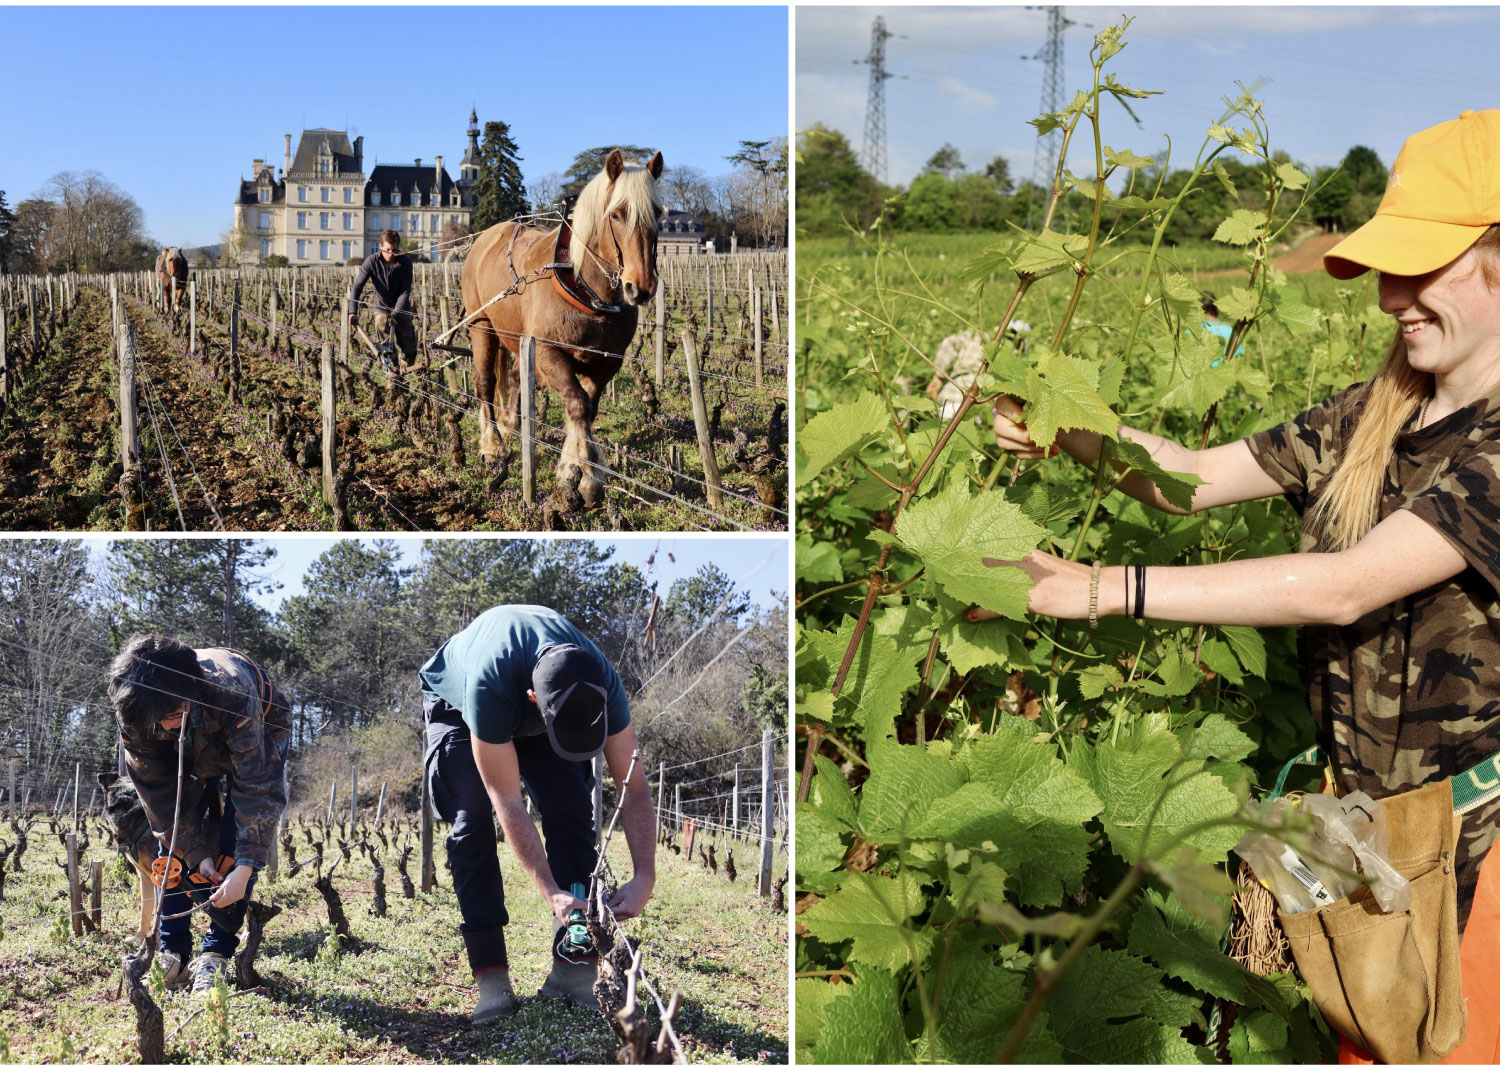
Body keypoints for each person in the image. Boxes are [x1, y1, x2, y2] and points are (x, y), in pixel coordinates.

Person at [984, 109, 1500, 1063]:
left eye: (1421, 267)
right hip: (1375, 842)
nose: (1393, 297)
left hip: (1480, 850)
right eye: (1388, 268)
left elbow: (1345, 588)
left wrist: (1098, 589)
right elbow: (1192, 476)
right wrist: (1059, 423)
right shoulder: (1375, 410)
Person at [419, 605, 657, 1026]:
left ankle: (573, 964)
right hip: (457, 705)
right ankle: (492, 977)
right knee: (470, 819)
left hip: (539, 699)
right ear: (535, 702)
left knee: (570, 808)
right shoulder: (488, 687)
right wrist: (549, 888)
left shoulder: (606, 683)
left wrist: (645, 877)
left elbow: (634, 787)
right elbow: (506, 798)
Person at [107, 635, 290, 994]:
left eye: (173, 715)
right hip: (187, 751)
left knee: (232, 846)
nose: (167, 726)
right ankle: (172, 949)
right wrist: (193, 853)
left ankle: (216, 954)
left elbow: (257, 787)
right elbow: (161, 799)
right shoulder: (136, 709)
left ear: (190, 690)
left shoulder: (230, 691)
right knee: (171, 846)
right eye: (158, 723)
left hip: (257, 729)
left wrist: (245, 865)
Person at [348, 229, 417, 368]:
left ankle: (405, 377)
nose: (391, 254)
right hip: (382, 308)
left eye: (394, 250)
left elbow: (405, 292)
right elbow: (357, 286)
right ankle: (392, 379)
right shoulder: (371, 261)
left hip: (402, 309)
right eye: (387, 250)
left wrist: (396, 314)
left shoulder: (406, 262)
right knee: (387, 350)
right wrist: (352, 311)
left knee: (409, 350)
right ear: (380, 246)